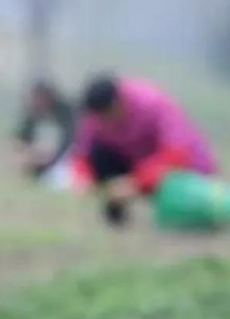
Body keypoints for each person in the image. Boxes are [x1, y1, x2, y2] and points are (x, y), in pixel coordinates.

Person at [71, 75, 218, 226]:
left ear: (117, 104)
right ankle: (117, 210)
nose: (101, 124)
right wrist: (83, 177)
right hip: (137, 164)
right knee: (99, 154)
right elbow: (83, 151)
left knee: (181, 213)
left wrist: (136, 182)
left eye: (104, 117)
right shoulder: (95, 116)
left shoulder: (153, 104)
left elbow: (176, 155)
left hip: (185, 168)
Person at [13, 78, 75, 180]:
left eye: (42, 96)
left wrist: (51, 157)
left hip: (62, 161)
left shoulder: (65, 112)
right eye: (36, 96)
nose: (38, 100)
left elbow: (69, 141)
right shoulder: (32, 115)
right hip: (37, 160)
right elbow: (20, 140)